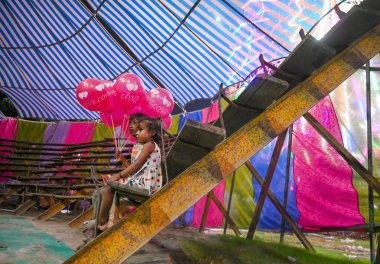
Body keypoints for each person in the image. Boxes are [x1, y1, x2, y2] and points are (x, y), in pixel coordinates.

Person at [97, 117, 163, 231]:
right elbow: (136, 168)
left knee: (109, 187)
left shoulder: (150, 145)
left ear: (152, 132)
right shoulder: (148, 145)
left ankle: (101, 222)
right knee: (109, 185)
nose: (137, 132)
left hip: (145, 185)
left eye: (140, 130)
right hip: (144, 183)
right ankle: (103, 221)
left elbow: (136, 165)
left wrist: (118, 175)